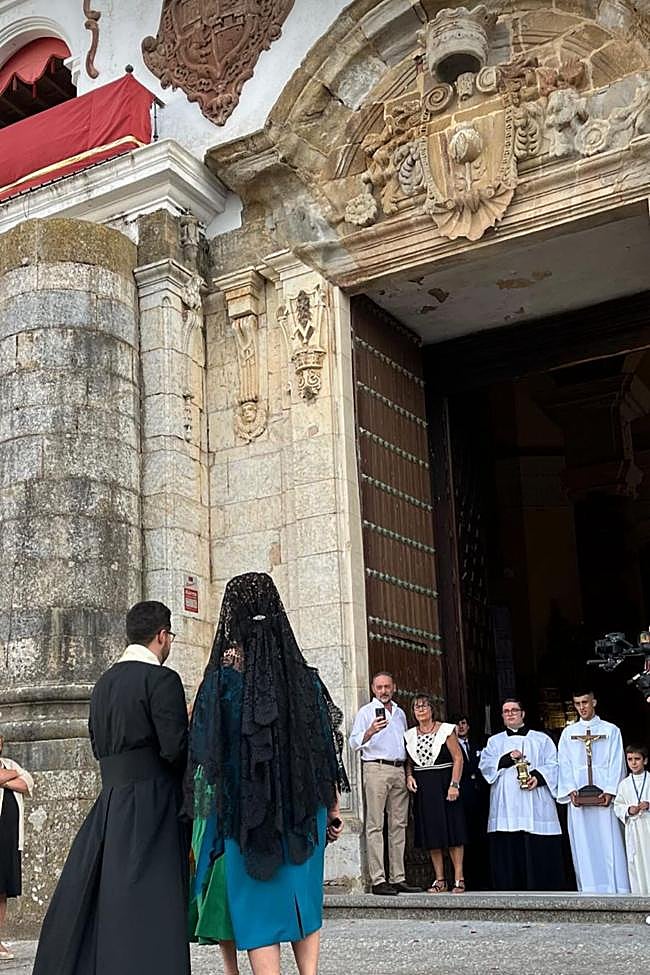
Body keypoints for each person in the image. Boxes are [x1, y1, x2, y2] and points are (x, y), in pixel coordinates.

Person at [186, 572, 349, 975]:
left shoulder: (219, 685)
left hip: (246, 814)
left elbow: (204, 758)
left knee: (258, 907)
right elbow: (323, 750)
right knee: (303, 897)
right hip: (302, 808)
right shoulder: (306, 680)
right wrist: (333, 808)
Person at [32, 601, 190, 975]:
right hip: (153, 799)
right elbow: (174, 749)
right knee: (154, 895)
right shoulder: (162, 680)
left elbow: (96, 743)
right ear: (162, 636)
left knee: (114, 893)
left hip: (112, 799)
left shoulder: (102, 683)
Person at [479, 698, 565, 891]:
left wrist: (538, 777)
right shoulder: (494, 741)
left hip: (536, 802)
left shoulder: (541, 739)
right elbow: (485, 766)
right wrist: (505, 759)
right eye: (506, 711)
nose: (510, 714)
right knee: (509, 851)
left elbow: (555, 765)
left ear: (523, 713)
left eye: (514, 710)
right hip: (506, 806)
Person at [349, 672, 419, 895]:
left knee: (399, 825)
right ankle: (378, 879)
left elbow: (406, 744)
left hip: (399, 769)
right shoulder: (365, 712)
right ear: (373, 688)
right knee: (375, 824)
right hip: (376, 768)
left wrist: (408, 772)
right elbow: (353, 742)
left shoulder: (399, 713)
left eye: (387, 686)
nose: (383, 691)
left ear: (394, 687)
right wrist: (370, 731)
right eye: (379, 687)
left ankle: (398, 877)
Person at [557, 689, 629, 894]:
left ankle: (616, 888)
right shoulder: (568, 733)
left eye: (585, 702)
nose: (582, 707)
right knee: (584, 844)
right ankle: (589, 889)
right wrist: (570, 789)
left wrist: (610, 790)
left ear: (594, 702)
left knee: (609, 841)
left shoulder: (610, 730)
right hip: (579, 799)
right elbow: (563, 763)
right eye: (577, 703)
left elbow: (617, 762)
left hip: (604, 797)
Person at [405, 694, 466, 893]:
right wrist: (409, 776)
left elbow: (458, 758)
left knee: (452, 830)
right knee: (432, 833)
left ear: (432, 709)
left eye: (424, 706)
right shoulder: (410, 735)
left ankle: (459, 877)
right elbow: (410, 761)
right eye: (416, 707)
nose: (420, 710)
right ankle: (439, 879)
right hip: (424, 787)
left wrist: (454, 784)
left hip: (445, 783)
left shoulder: (446, 730)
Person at [0, 736, 33, 961]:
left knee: (2, 892)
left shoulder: (10, 764)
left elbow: (28, 782)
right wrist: (14, 777)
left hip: (9, 840)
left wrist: (5, 778)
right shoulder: (13, 769)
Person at [452, 713, 489, 890]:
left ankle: (483, 879)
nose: (461, 727)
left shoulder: (478, 744)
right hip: (461, 796)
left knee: (479, 837)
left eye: (463, 723)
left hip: (478, 797)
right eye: (457, 724)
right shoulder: (450, 747)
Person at [614, 744, 649, 894]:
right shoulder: (624, 784)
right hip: (634, 829)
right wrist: (628, 810)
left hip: (648, 826)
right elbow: (617, 806)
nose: (633, 763)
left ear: (645, 761)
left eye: (637, 759)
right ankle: (640, 896)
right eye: (630, 759)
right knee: (637, 863)